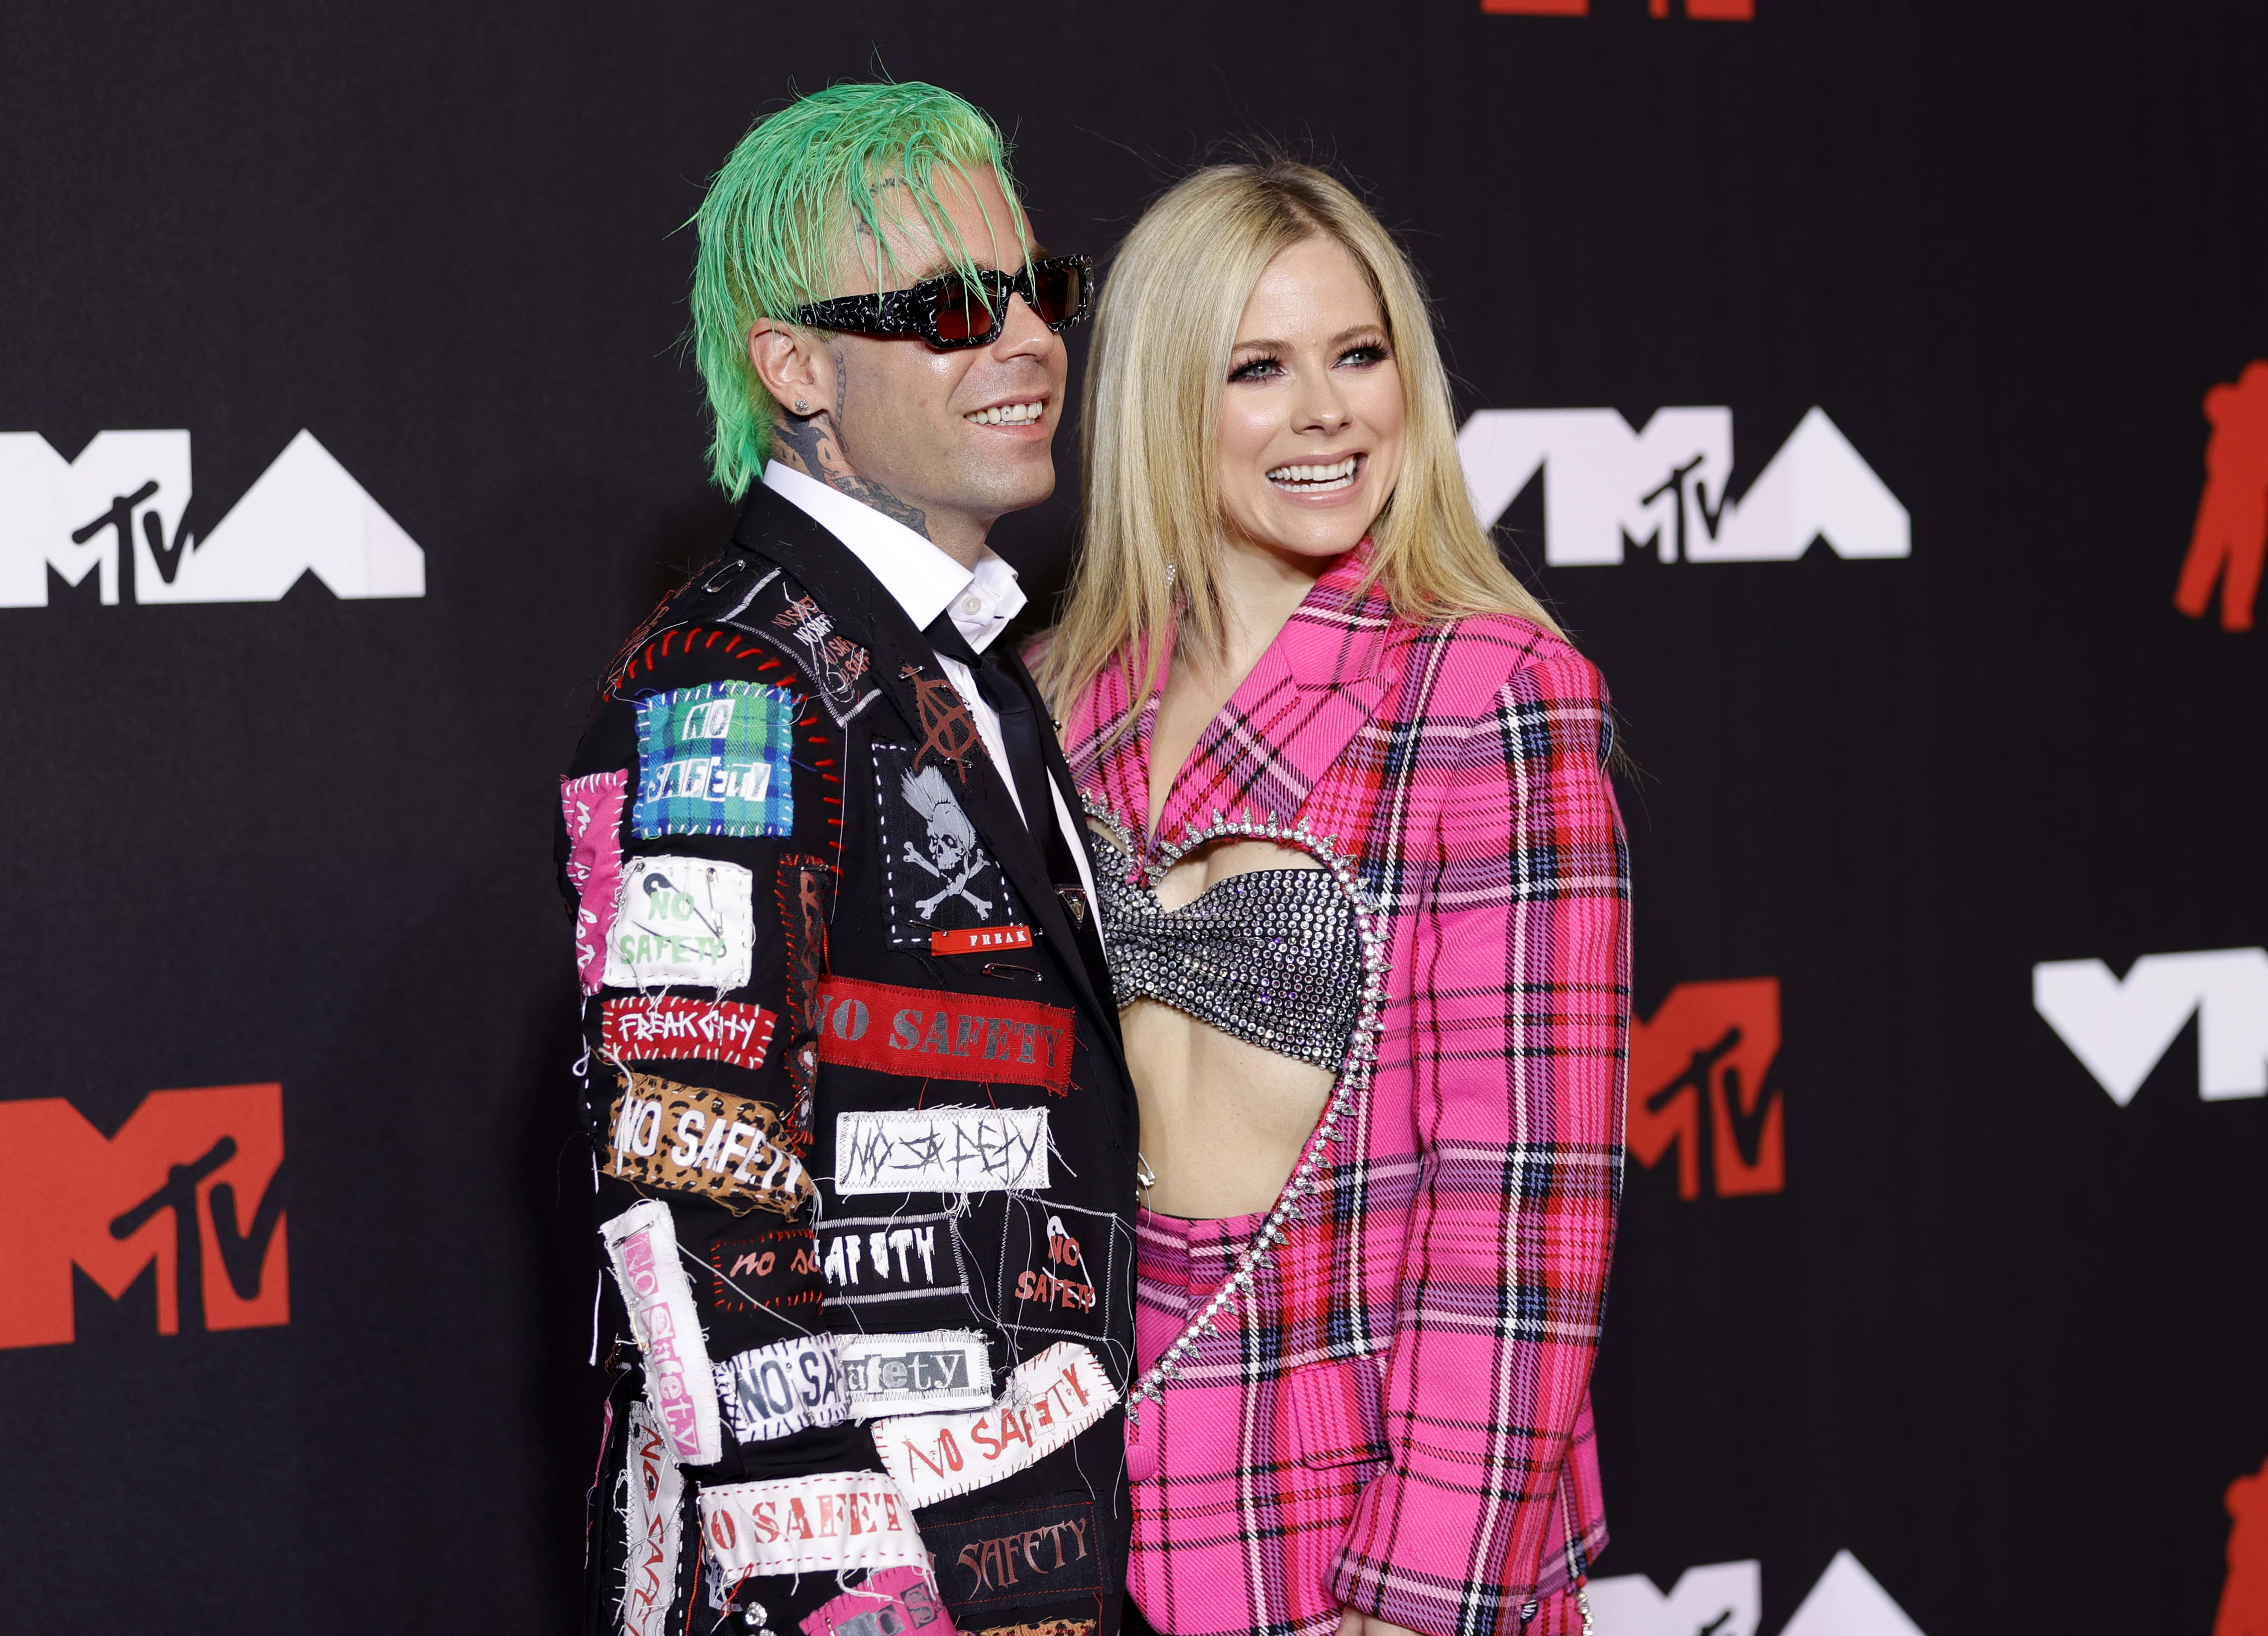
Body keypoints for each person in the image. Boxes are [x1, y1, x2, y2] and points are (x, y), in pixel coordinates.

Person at [556, 82, 1139, 1636]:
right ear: (796, 367)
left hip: (1033, 1535)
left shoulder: (963, 656)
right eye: (948, 308)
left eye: (1038, 288)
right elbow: (691, 1185)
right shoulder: (735, 682)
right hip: (868, 1581)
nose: (1027, 340)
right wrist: (855, 1597)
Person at [1037, 159, 1631, 1636]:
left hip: (1351, 1494)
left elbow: (1523, 1207)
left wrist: (1422, 1589)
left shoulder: (1486, 691)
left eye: (1359, 355)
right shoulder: (1057, 697)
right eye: (1259, 368)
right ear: (1165, 399)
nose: (1326, 411)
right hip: (1075, 1493)